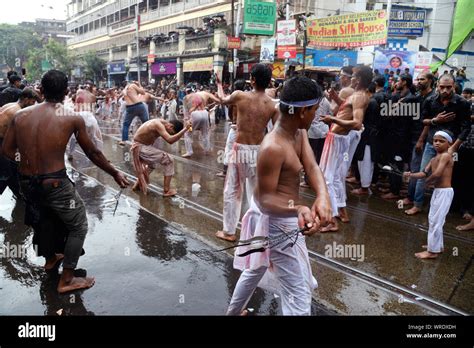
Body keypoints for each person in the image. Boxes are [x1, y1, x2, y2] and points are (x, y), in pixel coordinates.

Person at [1, 70, 129, 293]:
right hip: (55, 183)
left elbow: (7, 150)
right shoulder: (71, 117)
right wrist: (115, 172)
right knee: (79, 225)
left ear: (41, 89)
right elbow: (93, 153)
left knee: (43, 219)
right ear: (65, 92)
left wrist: (28, 162)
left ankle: (51, 259)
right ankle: (67, 279)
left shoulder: (20, 116)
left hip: (27, 182)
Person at [226, 76, 332, 315]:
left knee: (255, 269)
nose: (316, 114)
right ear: (303, 111)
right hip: (277, 222)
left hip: (285, 218)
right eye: (315, 110)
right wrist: (297, 209)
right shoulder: (273, 147)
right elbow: (264, 200)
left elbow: (312, 165)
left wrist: (322, 196)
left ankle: (232, 313)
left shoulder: (298, 132)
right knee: (298, 292)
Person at [215, 63, 279, 242]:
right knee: (255, 192)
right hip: (258, 151)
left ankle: (229, 231)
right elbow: (276, 132)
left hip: (240, 149)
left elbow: (221, 99)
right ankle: (256, 230)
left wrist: (219, 84)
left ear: (252, 79)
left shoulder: (239, 95)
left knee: (232, 190)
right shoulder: (272, 105)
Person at [406, 74, 471, 215]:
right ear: (437, 86)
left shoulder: (462, 103)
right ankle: (417, 204)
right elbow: (422, 120)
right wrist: (435, 121)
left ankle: (446, 208)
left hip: (452, 145)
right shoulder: (430, 100)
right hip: (431, 143)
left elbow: (466, 127)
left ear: (454, 86)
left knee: (450, 177)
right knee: (424, 172)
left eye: (449, 87)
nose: (445, 90)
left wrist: (454, 147)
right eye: (442, 87)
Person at [319, 65, 372, 231]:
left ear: (360, 79)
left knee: (326, 179)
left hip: (337, 139)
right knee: (334, 178)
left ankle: (331, 221)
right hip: (336, 138)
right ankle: (341, 212)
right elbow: (347, 111)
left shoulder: (360, 96)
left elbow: (357, 123)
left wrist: (332, 120)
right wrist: (336, 98)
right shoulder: (356, 95)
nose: (351, 78)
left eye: (354, 76)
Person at [403, 131, 454, 259]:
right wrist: (411, 175)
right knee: (433, 219)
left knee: (436, 221)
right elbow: (424, 173)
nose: (437, 143)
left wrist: (426, 183)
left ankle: (433, 252)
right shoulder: (433, 159)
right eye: (435, 140)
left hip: (444, 192)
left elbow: (437, 174)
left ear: (449, 144)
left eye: (441, 141)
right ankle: (437, 245)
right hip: (437, 192)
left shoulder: (446, 156)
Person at [131, 118, 191, 196]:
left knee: (152, 165)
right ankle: (166, 190)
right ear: (171, 126)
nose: (170, 134)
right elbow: (170, 140)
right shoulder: (157, 124)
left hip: (142, 146)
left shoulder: (162, 123)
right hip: (140, 147)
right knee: (169, 160)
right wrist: (185, 129)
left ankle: (138, 185)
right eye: (171, 133)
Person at [0, 88, 39, 196]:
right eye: (32, 102)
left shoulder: (10, 105)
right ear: (26, 99)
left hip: (2, 140)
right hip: (1, 143)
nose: (32, 104)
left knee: (12, 170)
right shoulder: (18, 112)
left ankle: (19, 194)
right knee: (5, 174)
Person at [216, 79, 246, 178]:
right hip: (245, 128)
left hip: (235, 127)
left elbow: (223, 100)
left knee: (229, 148)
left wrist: (219, 85)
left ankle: (225, 171)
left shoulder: (235, 97)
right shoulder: (248, 96)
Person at [182, 89, 221, 157]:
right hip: (205, 113)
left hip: (194, 115)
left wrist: (188, 124)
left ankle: (189, 152)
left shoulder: (185, 97)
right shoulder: (204, 93)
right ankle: (207, 150)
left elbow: (186, 113)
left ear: (186, 92)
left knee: (187, 134)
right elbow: (218, 100)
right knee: (205, 133)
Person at [120, 80, 149, 146]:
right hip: (139, 105)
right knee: (146, 123)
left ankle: (123, 140)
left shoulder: (124, 90)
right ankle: (148, 138)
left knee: (126, 124)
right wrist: (139, 85)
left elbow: (125, 95)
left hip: (130, 107)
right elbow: (143, 92)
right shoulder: (132, 85)